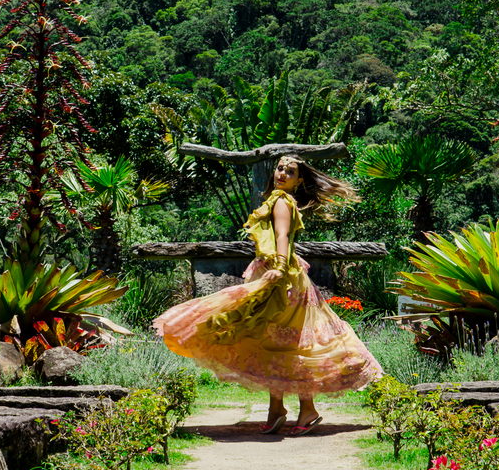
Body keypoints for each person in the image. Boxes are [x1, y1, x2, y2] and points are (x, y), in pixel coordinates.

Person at [153, 155, 383, 434]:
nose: (282, 173)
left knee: (292, 343)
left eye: (291, 171)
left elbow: (283, 237)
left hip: (283, 279)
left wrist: (280, 268)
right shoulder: (276, 200)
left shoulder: (283, 202)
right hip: (276, 274)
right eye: (280, 168)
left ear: (299, 181)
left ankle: (306, 410)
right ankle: (277, 409)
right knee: (273, 341)